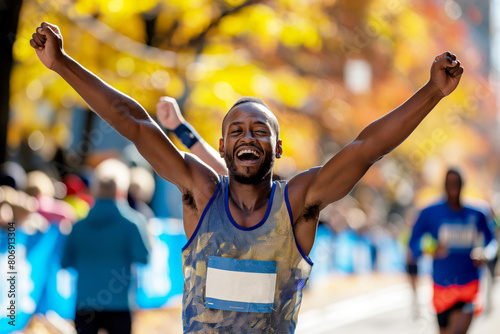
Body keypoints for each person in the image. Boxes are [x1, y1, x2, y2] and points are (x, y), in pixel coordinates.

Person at [31, 22, 463, 333]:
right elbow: (134, 122)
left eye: (260, 130)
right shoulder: (199, 192)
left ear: (276, 148)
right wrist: (61, 63)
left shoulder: (298, 203)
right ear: (221, 148)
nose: (247, 137)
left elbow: (366, 148)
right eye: (236, 130)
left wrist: (432, 93)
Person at [61, 159, 150, 334]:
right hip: (120, 304)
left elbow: (65, 262)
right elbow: (143, 257)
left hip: (85, 302)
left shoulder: (78, 226)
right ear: (121, 191)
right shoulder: (132, 223)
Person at [407, 168, 497, 334]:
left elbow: (492, 241)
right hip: (442, 285)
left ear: (463, 185)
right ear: (444, 185)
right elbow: (413, 244)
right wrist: (431, 249)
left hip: (469, 283)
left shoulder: (478, 212)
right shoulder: (429, 212)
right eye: (450, 183)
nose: (453, 187)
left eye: (457, 183)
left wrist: (485, 254)